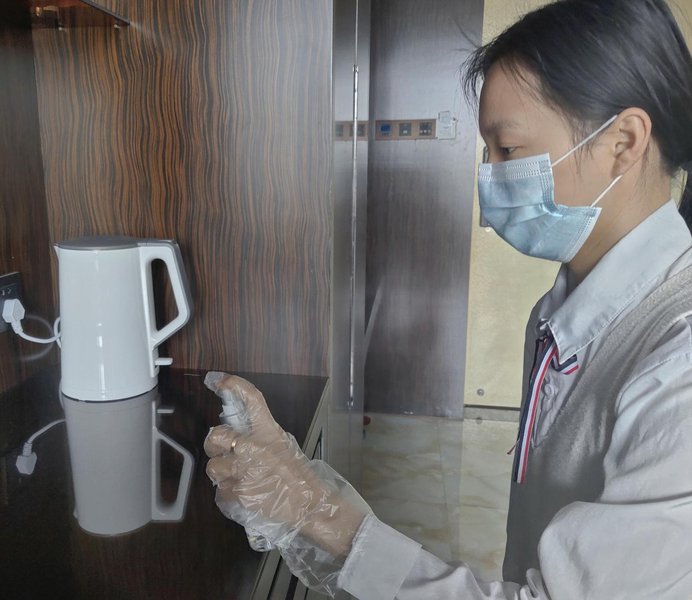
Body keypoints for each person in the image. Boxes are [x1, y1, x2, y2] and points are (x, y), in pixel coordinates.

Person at [204, 0, 692, 597]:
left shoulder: (679, 368)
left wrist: (315, 511)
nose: (490, 175)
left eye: (507, 149)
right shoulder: (562, 310)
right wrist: (310, 508)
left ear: (623, 140)